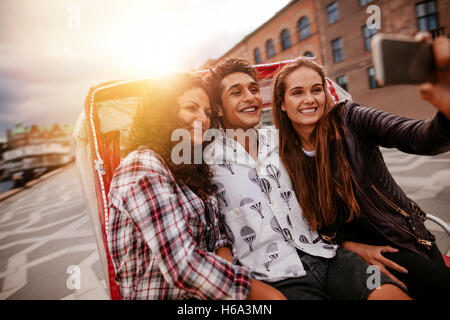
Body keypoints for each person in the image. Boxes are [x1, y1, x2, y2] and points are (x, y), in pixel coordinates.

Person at [204, 58, 411, 300]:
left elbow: (326, 180)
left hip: (328, 256)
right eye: (236, 92)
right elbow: (212, 233)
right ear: (218, 107)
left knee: (388, 294)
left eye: (253, 89)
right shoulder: (205, 161)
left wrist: (349, 244)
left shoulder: (286, 139)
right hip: (272, 277)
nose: (250, 97)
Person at [272, 33, 450, 300]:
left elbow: (417, 137)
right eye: (297, 92)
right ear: (283, 104)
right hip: (347, 259)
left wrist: (445, 107)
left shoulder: (351, 118)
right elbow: (304, 226)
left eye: (316, 89)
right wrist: (353, 247)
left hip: (401, 243)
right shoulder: (281, 156)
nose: (310, 99)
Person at [107, 73, 284, 300]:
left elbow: (216, 230)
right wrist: (258, 293)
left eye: (207, 112)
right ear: (163, 112)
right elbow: (183, 265)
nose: (203, 118)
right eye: (192, 108)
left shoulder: (189, 166)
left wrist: (223, 252)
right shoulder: (143, 167)